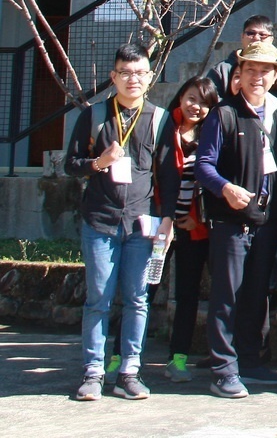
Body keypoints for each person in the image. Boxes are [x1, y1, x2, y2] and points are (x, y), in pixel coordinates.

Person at [65, 44, 171, 402]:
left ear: (150, 77)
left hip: (142, 224)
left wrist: (167, 219)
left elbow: (169, 175)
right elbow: (71, 164)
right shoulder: (94, 116)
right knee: (99, 299)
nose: (133, 80)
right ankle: (93, 372)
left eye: (140, 73)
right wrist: (99, 161)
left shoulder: (158, 118)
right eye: (125, 73)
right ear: (114, 77)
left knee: (138, 299)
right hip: (100, 222)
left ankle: (129, 371)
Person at [193, 40, 277, 397]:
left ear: (275, 74)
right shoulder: (224, 113)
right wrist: (226, 189)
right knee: (227, 296)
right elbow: (203, 165)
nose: (257, 77)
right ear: (239, 73)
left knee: (257, 296)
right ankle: (223, 369)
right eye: (251, 70)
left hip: (266, 221)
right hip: (231, 223)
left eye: (265, 71)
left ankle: (250, 360)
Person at [161, 76, 220, 383]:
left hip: (194, 229)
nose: (196, 106)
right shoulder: (162, 128)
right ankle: (121, 357)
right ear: (180, 97)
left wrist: (192, 219)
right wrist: (167, 217)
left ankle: (177, 359)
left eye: (205, 102)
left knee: (188, 295)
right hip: (158, 227)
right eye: (191, 98)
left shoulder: (211, 135)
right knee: (140, 292)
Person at [207, 15, 277, 101]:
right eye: (250, 33)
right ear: (242, 36)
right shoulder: (222, 70)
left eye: (262, 34)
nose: (256, 38)